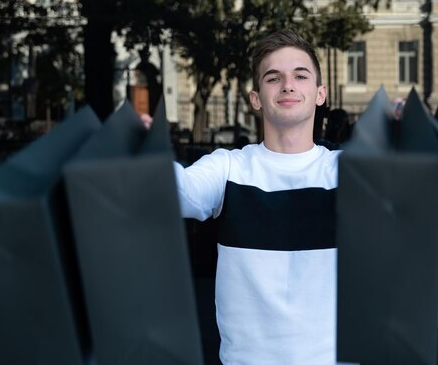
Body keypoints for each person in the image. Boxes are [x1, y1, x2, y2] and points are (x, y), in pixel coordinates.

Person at [145, 30, 339, 364]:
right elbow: (178, 192)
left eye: (300, 76)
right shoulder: (229, 167)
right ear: (255, 98)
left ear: (320, 93)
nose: (288, 86)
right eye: (273, 77)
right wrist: (143, 149)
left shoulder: (346, 171)